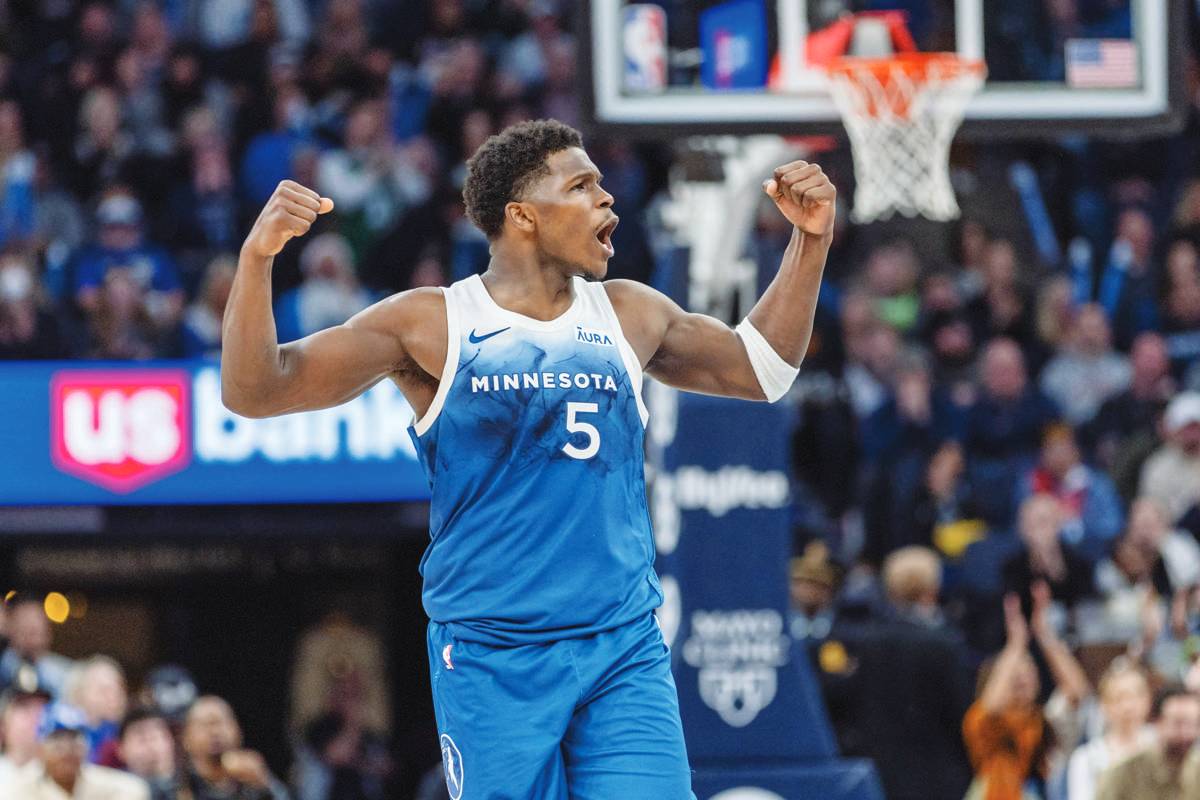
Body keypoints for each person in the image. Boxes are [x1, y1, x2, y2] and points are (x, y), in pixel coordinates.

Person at [220, 119, 836, 797]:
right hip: (494, 655)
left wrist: (810, 241)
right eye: (582, 186)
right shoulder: (431, 322)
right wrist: (257, 260)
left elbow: (762, 369)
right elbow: (256, 390)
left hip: (620, 647)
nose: (609, 201)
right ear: (522, 217)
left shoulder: (630, 313)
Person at [12, 702, 149, 799]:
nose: (67, 750)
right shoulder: (16, 790)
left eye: (74, 739)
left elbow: (137, 790)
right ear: (40, 748)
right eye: (58, 741)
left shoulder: (112, 786)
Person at [1065, 659, 1155, 800]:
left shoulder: (1164, 745)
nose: (1128, 706)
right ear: (1103, 705)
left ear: (1148, 699)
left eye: (1135, 696)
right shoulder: (1086, 758)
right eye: (1119, 698)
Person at [1096, 686, 1200, 800]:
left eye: (1192, 724)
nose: (1185, 733)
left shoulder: (1196, 773)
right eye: (1178, 724)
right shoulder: (1123, 776)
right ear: (1158, 723)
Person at [180, 695, 290, 800]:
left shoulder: (253, 781)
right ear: (186, 738)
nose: (215, 732)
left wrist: (265, 783)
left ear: (238, 732)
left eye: (222, 722)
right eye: (205, 724)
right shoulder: (179, 784)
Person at [0, 598, 73, 698]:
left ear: (48, 632)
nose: (31, 634)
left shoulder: (65, 674)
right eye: (24, 626)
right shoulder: (3, 666)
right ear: (9, 628)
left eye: (36, 629)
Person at [117, 706, 180, 800]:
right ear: (121, 750)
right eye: (142, 740)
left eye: (156, 737)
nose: (151, 746)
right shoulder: (113, 789)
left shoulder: (194, 781)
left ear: (171, 742)